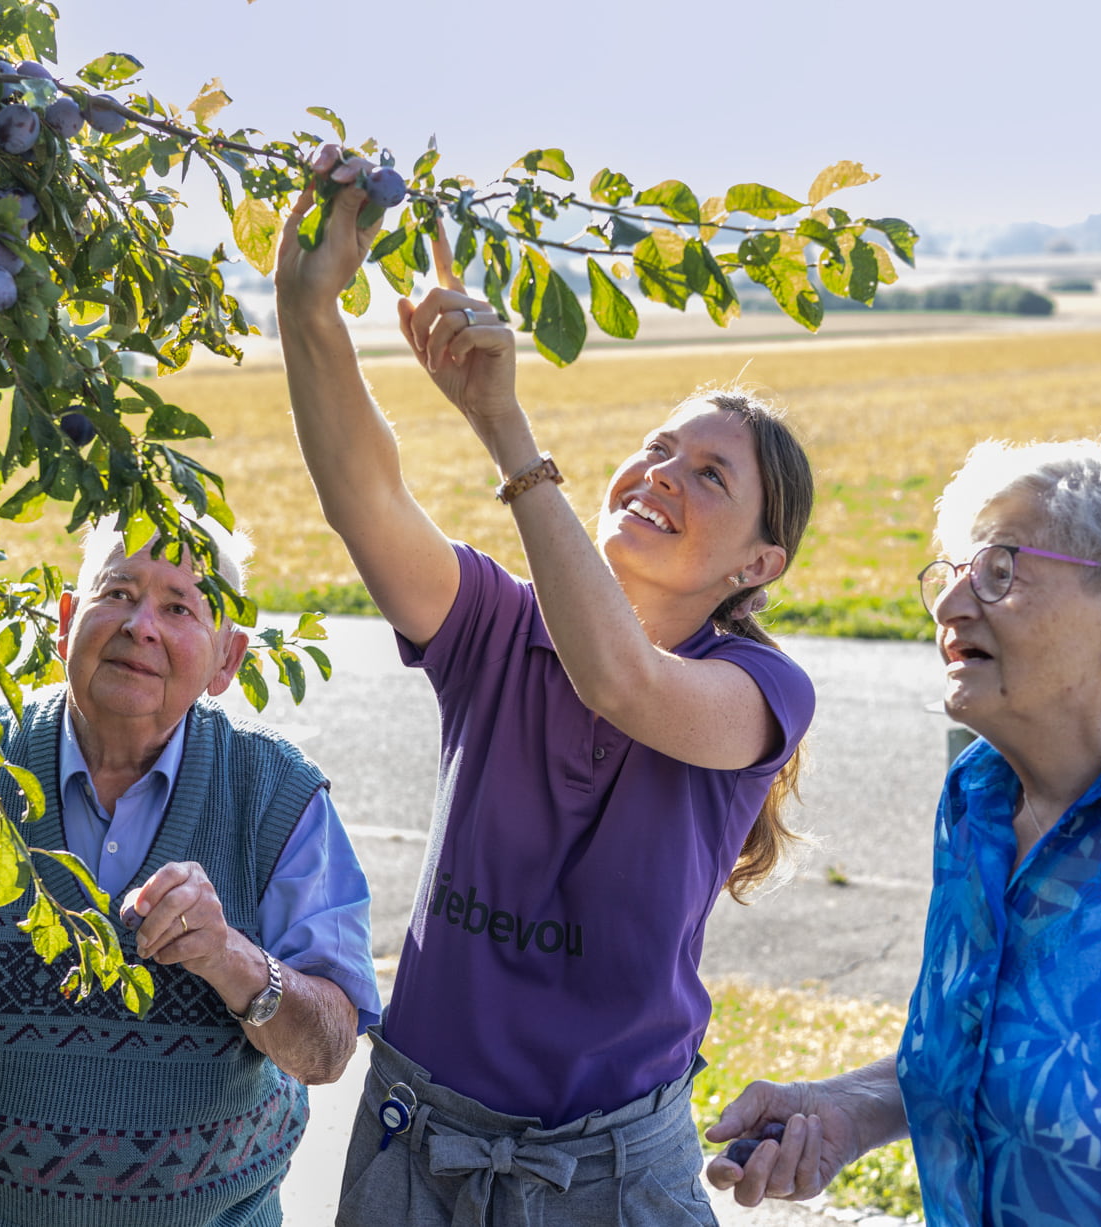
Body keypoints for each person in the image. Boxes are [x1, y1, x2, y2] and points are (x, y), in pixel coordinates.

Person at [272, 147, 817, 1224]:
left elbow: (621, 681)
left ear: (757, 566)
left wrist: (503, 426)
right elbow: (366, 499)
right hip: (415, 1139)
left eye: (709, 474)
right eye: (657, 447)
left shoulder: (759, 686)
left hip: (614, 1169)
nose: (660, 472)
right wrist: (308, 306)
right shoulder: (495, 624)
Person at [705, 436, 1101, 1224]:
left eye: (999, 570)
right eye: (949, 577)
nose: (950, 606)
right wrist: (846, 1108)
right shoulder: (979, 791)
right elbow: (975, 1047)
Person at [0, 516, 381, 1227]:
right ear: (67, 620)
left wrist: (232, 959)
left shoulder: (276, 794)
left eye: (180, 605)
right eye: (117, 591)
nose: (140, 626)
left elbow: (328, 1048)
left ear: (226, 659)